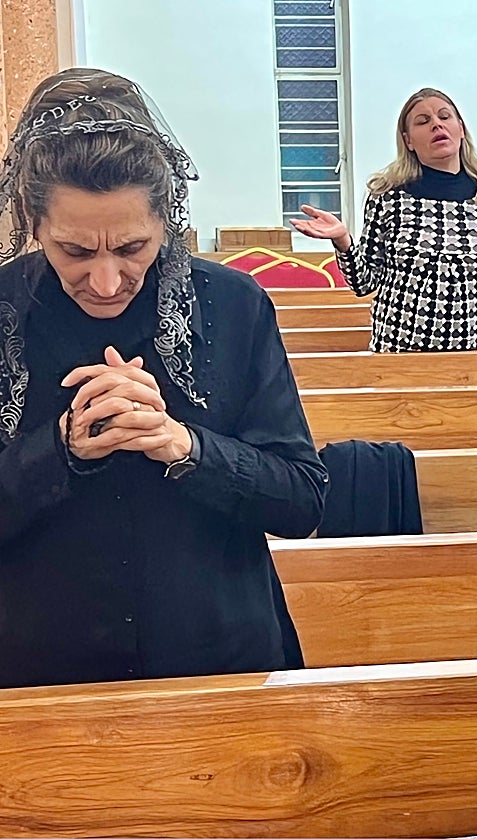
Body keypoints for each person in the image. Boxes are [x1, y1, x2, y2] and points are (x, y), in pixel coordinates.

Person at [0, 68, 327, 689]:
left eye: (131, 248)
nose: (105, 281)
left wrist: (185, 447)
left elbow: (301, 501)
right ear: (33, 223)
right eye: (74, 250)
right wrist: (60, 449)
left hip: (220, 661)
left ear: (167, 220)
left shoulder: (234, 305)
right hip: (42, 677)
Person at [291, 87, 477, 351]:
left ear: (460, 128)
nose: (436, 124)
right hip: (401, 351)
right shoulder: (387, 195)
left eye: (444, 117)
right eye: (423, 121)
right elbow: (364, 282)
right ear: (408, 140)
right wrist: (342, 241)